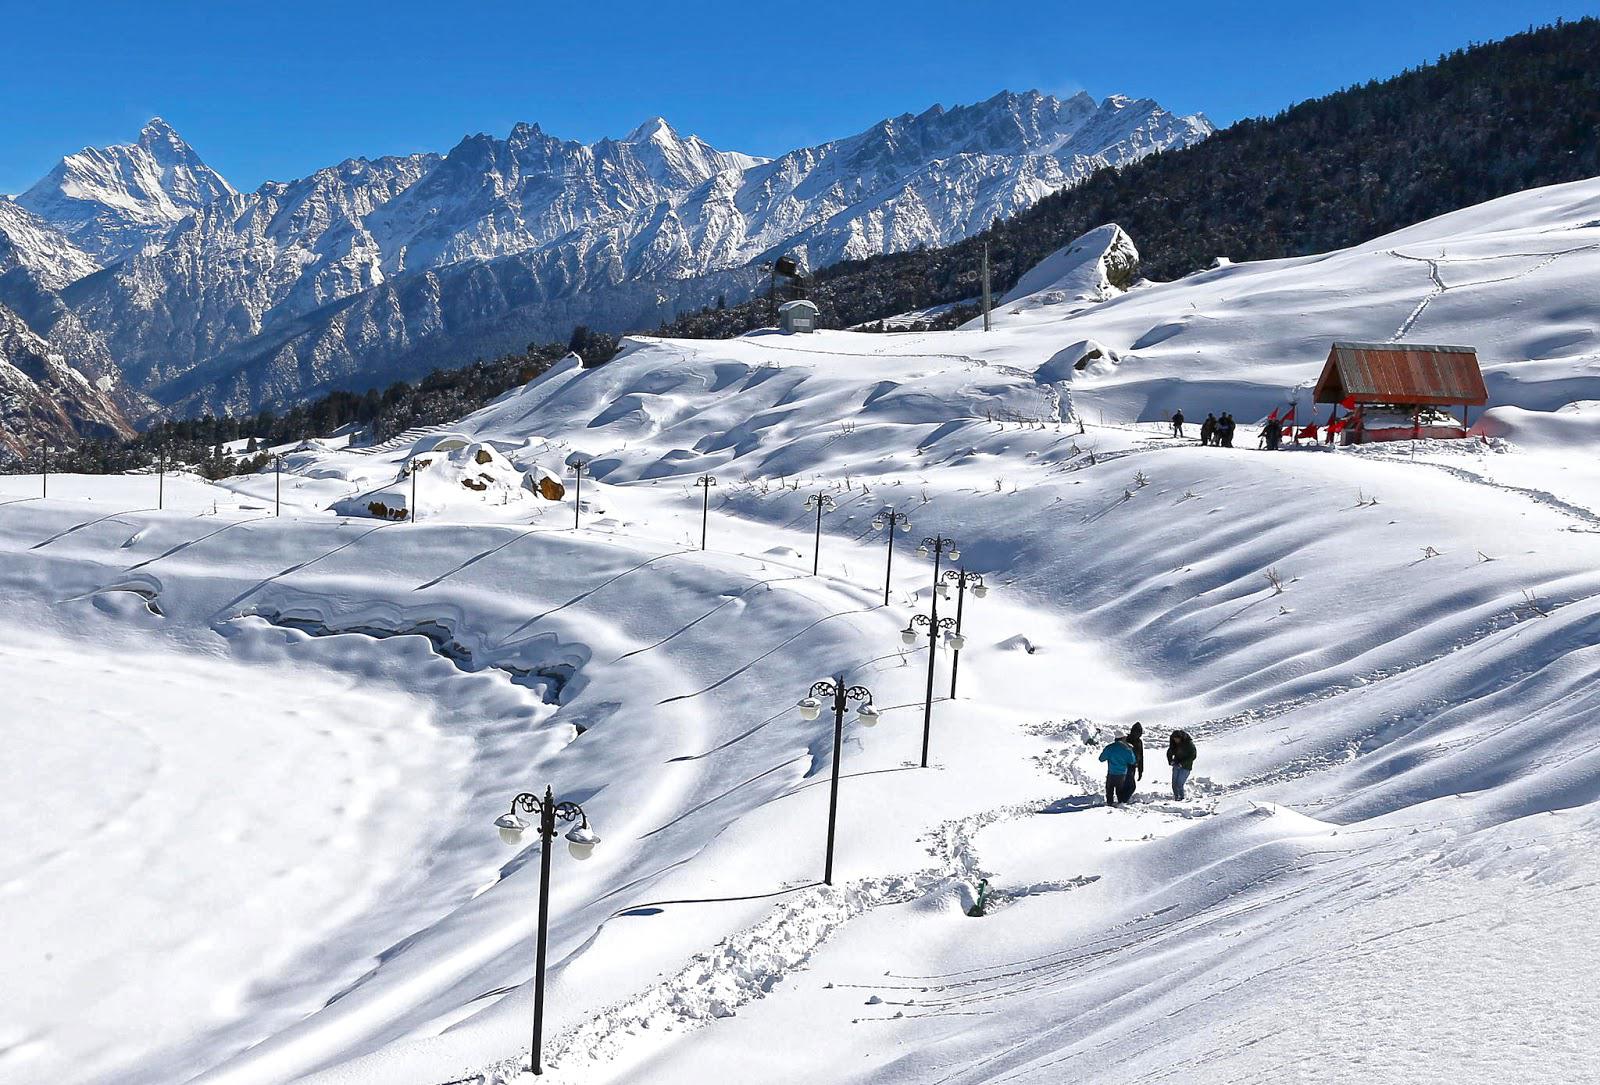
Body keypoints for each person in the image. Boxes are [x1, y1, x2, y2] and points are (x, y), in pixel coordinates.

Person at [1098, 735, 1140, 806]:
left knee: (1109, 790)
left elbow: (1101, 759)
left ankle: (1109, 803)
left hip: (1111, 773)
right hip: (1122, 774)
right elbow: (1132, 761)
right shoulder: (1127, 749)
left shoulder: (1109, 747)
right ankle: (1120, 804)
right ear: (1123, 738)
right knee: (1120, 791)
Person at [1167, 729, 1198, 800]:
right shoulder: (1174, 744)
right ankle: (1176, 797)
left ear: (1180, 738)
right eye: (1174, 739)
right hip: (1176, 764)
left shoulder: (1189, 744)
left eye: (1177, 739)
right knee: (1174, 783)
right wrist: (1170, 760)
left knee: (1179, 783)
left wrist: (1183, 763)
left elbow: (1193, 756)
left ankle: (1181, 798)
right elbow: (1169, 752)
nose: (1176, 741)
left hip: (1186, 766)